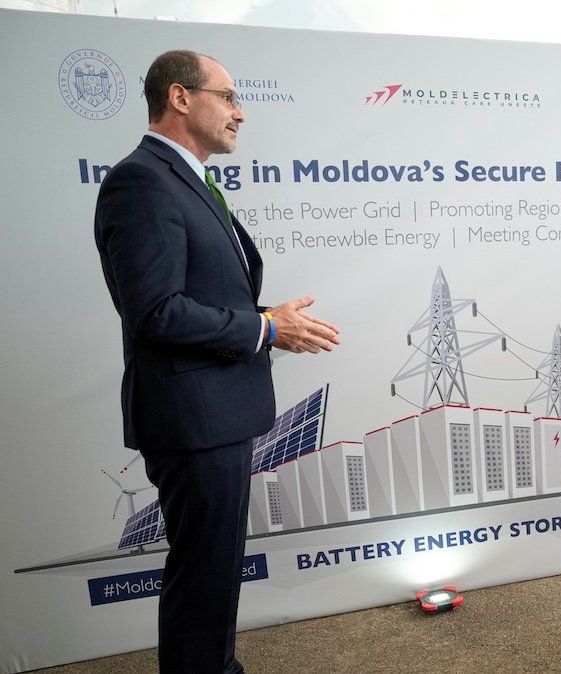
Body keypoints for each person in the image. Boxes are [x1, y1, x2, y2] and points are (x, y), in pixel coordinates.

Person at [94, 50, 341, 673]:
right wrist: (261, 327)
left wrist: (265, 324)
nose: (240, 113)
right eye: (228, 97)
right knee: (204, 577)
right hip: (191, 420)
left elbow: (202, 298)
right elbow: (154, 311)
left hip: (216, 414)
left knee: (213, 572)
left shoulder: (191, 180)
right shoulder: (142, 180)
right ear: (180, 98)